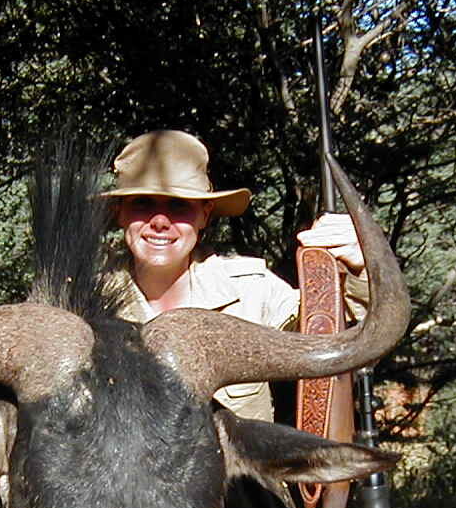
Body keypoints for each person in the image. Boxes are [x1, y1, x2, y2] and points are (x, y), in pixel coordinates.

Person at [100, 129, 367, 422]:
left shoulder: (253, 291)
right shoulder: (84, 299)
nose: (160, 222)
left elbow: (344, 346)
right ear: (119, 212)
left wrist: (357, 268)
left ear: (205, 215)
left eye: (179, 206)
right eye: (143, 203)